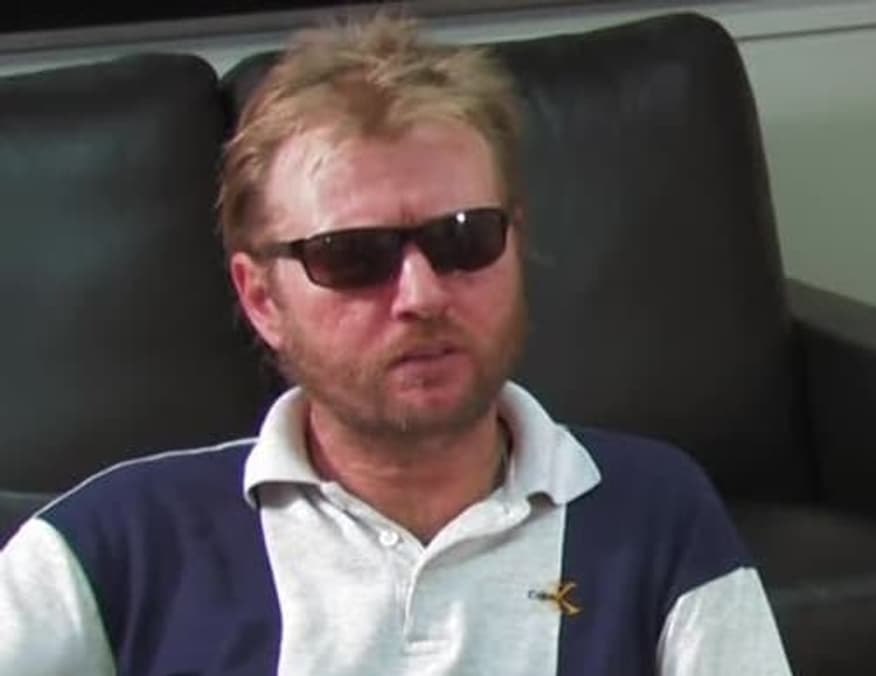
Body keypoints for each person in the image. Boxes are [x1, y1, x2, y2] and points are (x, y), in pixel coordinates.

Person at [0, 13, 791, 676]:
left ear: (517, 246)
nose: (422, 295)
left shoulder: (656, 512)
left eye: (464, 238)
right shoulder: (113, 545)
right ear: (262, 298)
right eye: (353, 256)